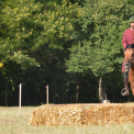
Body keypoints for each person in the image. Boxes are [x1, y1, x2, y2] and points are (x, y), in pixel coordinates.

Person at [122, 16, 134, 95]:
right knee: (125, 68)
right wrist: (126, 46)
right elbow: (124, 41)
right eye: (132, 23)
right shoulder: (126, 32)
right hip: (129, 51)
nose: (133, 24)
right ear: (130, 23)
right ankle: (126, 88)